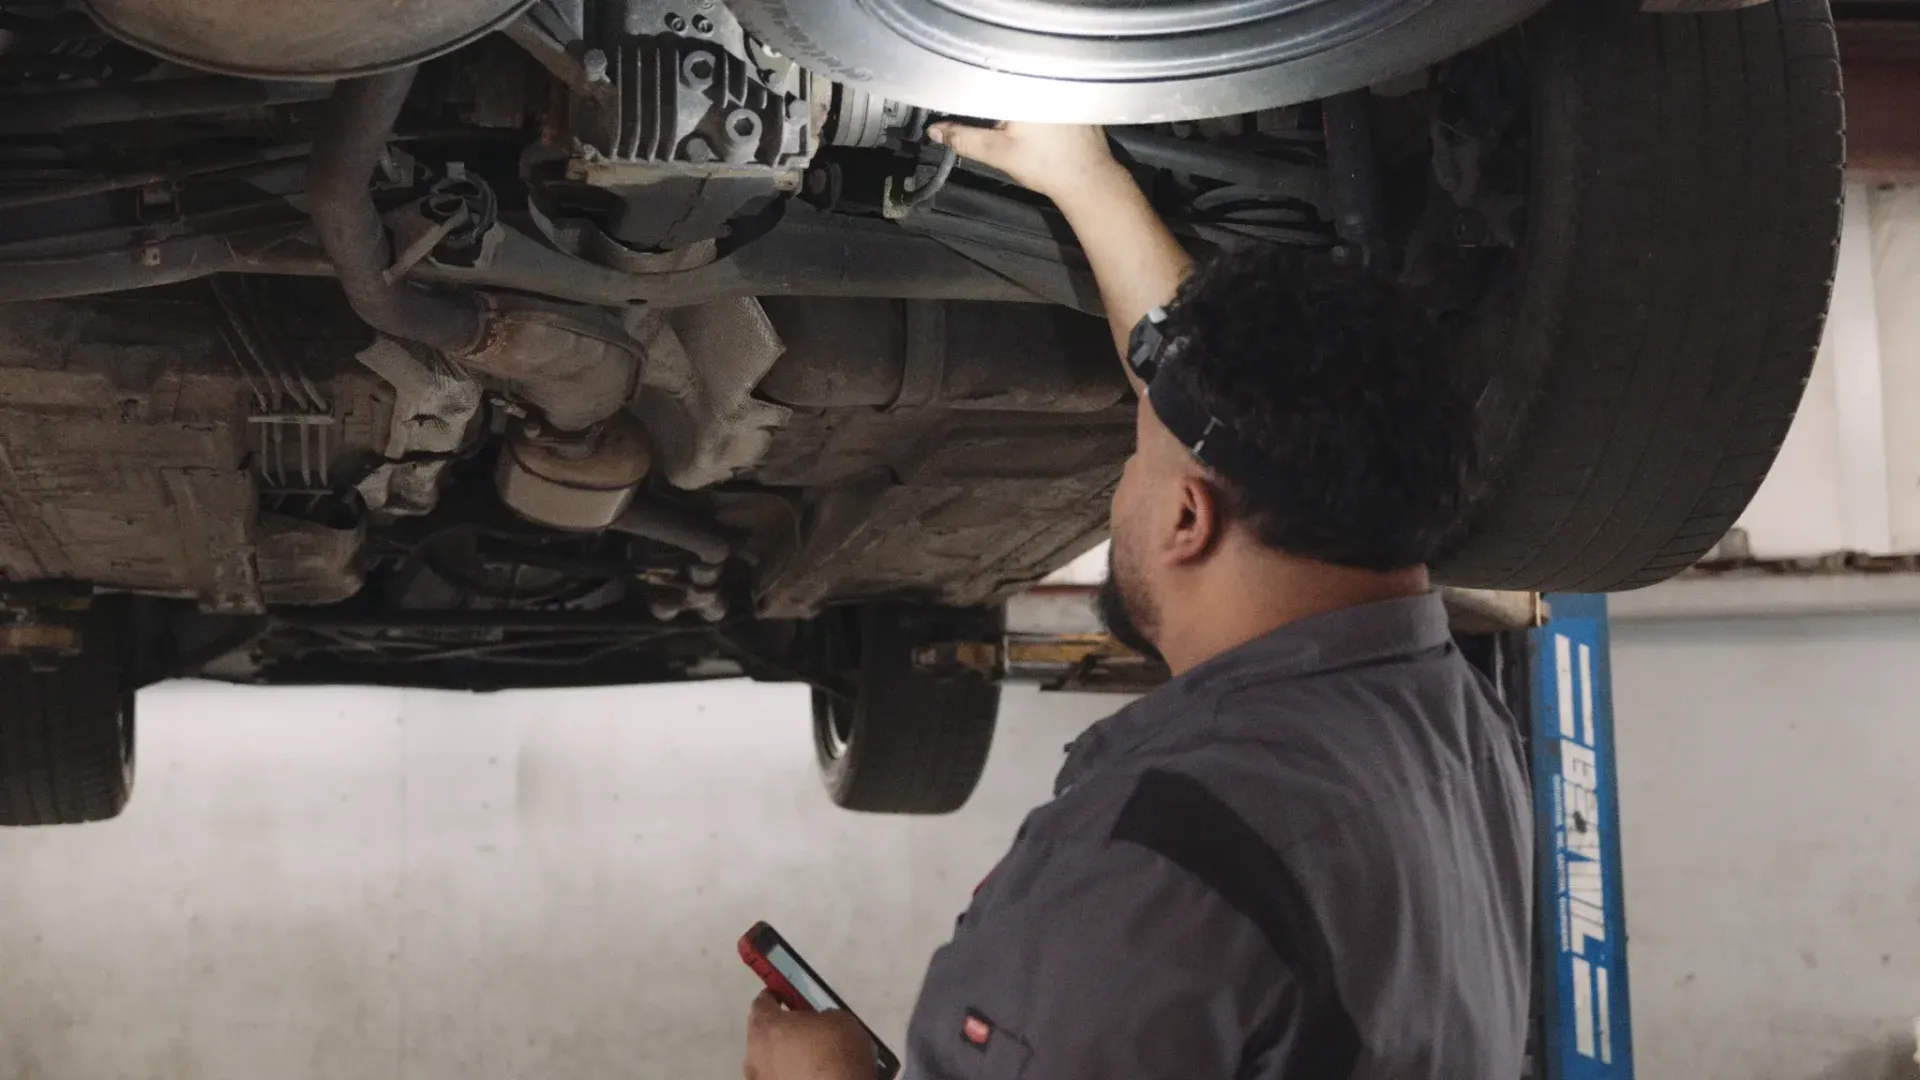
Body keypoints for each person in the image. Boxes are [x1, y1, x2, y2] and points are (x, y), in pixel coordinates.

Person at [742, 122, 1532, 1080]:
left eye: (1133, 460)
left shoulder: (1166, 858)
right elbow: (1191, 399)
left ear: (1188, 520)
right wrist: (1087, 181)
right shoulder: (1453, 729)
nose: (1122, 490)